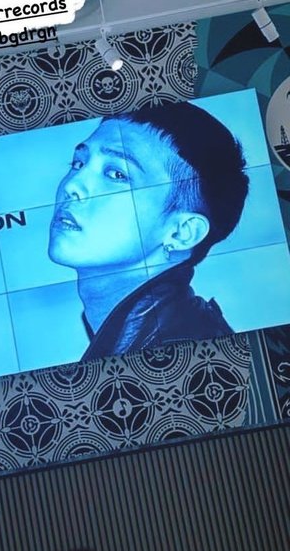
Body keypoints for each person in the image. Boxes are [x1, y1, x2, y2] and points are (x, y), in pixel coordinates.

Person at [48, 101, 249, 360]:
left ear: (181, 233)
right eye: (78, 163)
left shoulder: (181, 357)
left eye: (116, 174)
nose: (72, 185)